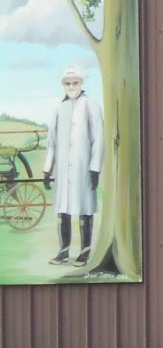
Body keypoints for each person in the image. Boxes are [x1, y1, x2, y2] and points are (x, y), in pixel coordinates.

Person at [42, 64, 103, 267]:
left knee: (84, 208)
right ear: (63, 85)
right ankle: (64, 251)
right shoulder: (59, 108)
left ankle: (85, 251)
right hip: (63, 170)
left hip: (83, 168)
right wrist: (47, 168)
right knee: (64, 210)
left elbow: (98, 138)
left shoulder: (91, 105)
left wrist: (95, 167)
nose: (71, 86)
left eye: (74, 82)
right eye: (67, 83)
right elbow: (52, 141)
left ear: (81, 83)